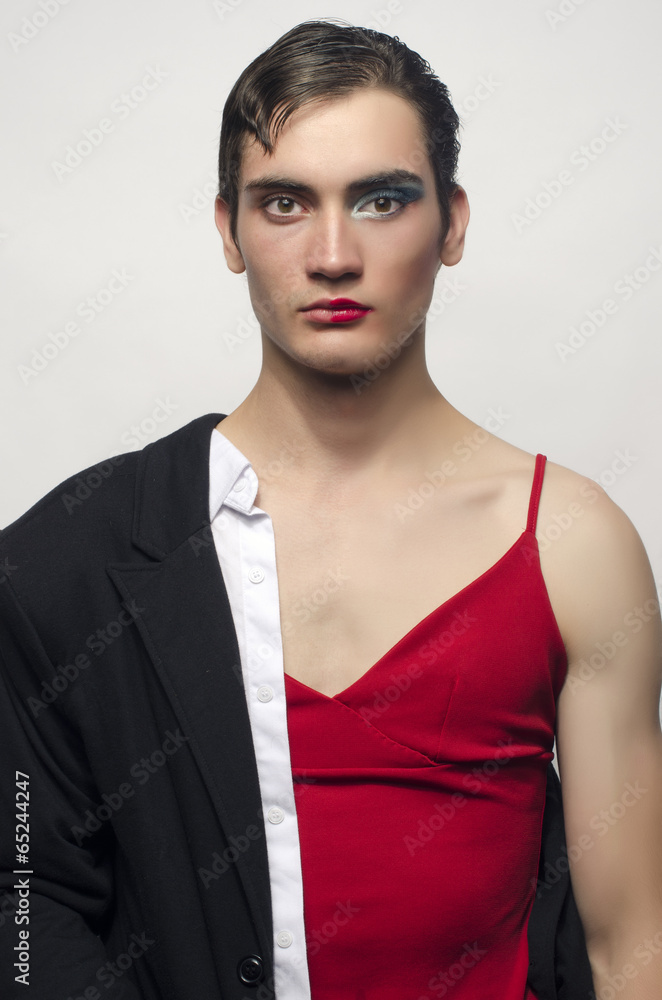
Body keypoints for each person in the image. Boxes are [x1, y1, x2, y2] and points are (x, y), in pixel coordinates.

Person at [0, 17, 660, 1000]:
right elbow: (29, 906)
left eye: (381, 199)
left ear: (453, 222)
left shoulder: (570, 541)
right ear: (226, 230)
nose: (332, 253)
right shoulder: (67, 555)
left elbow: (629, 951)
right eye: (283, 203)